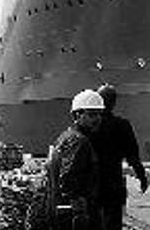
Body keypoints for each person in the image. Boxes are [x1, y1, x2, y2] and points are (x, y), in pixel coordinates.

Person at [90, 84, 148, 230]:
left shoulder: (88, 126)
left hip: (92, 182)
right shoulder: (122, 125)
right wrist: (142, 176)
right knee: (113, 221)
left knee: (93, 220)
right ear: (114, 103)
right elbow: (132, 155)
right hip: (113, 181)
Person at [48, 89, 104, 230]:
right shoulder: (78, 141)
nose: (97, 119)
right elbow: (68, 178)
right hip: (75, 214)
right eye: (92, 114)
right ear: (78, 115)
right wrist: (80, 213)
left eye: (99, 114)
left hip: (62, 209)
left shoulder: (66, 136)